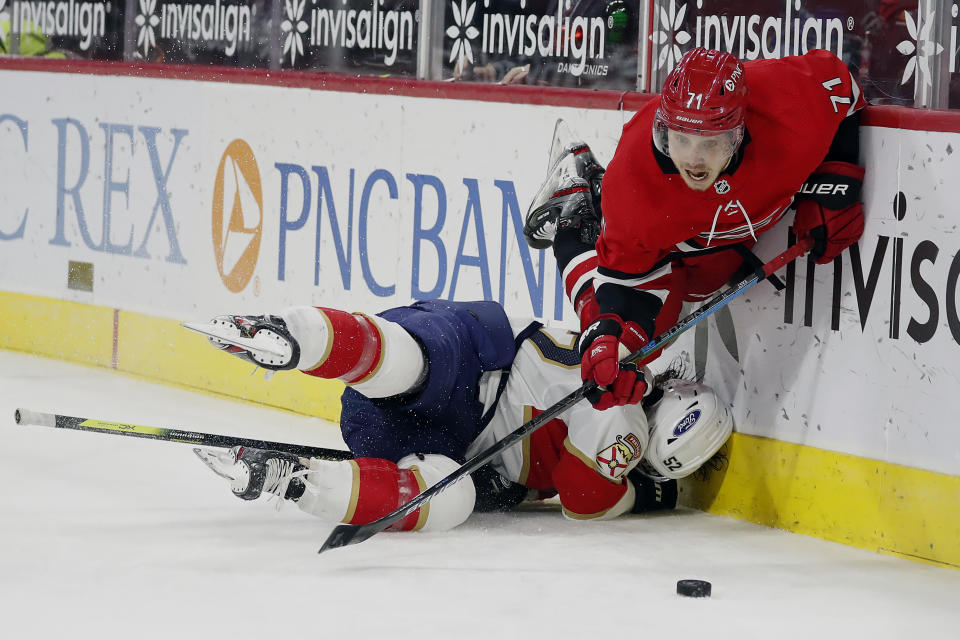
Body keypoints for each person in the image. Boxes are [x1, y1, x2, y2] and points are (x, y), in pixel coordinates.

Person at [193, 299, 732, 532]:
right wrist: (649, 498)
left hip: (442, 402)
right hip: (469, 367)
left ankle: (302, 349)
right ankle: (295, 472)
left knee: (450, 490)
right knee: (421, 376)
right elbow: (586, 501)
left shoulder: (624, 397)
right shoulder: (627, 422)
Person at [524, 47, 867, 410]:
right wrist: (610, 339)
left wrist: (834, 185)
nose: (693, 160)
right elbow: (623, 286)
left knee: (702, 286)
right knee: (626, 342)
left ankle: (591, 189)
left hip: (719, 238)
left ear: (739, 130)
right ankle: (573, 207)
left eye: (710, 143)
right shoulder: (635, 181)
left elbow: (846, 88)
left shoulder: (790, 101)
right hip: (669, 239)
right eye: (681, 139)